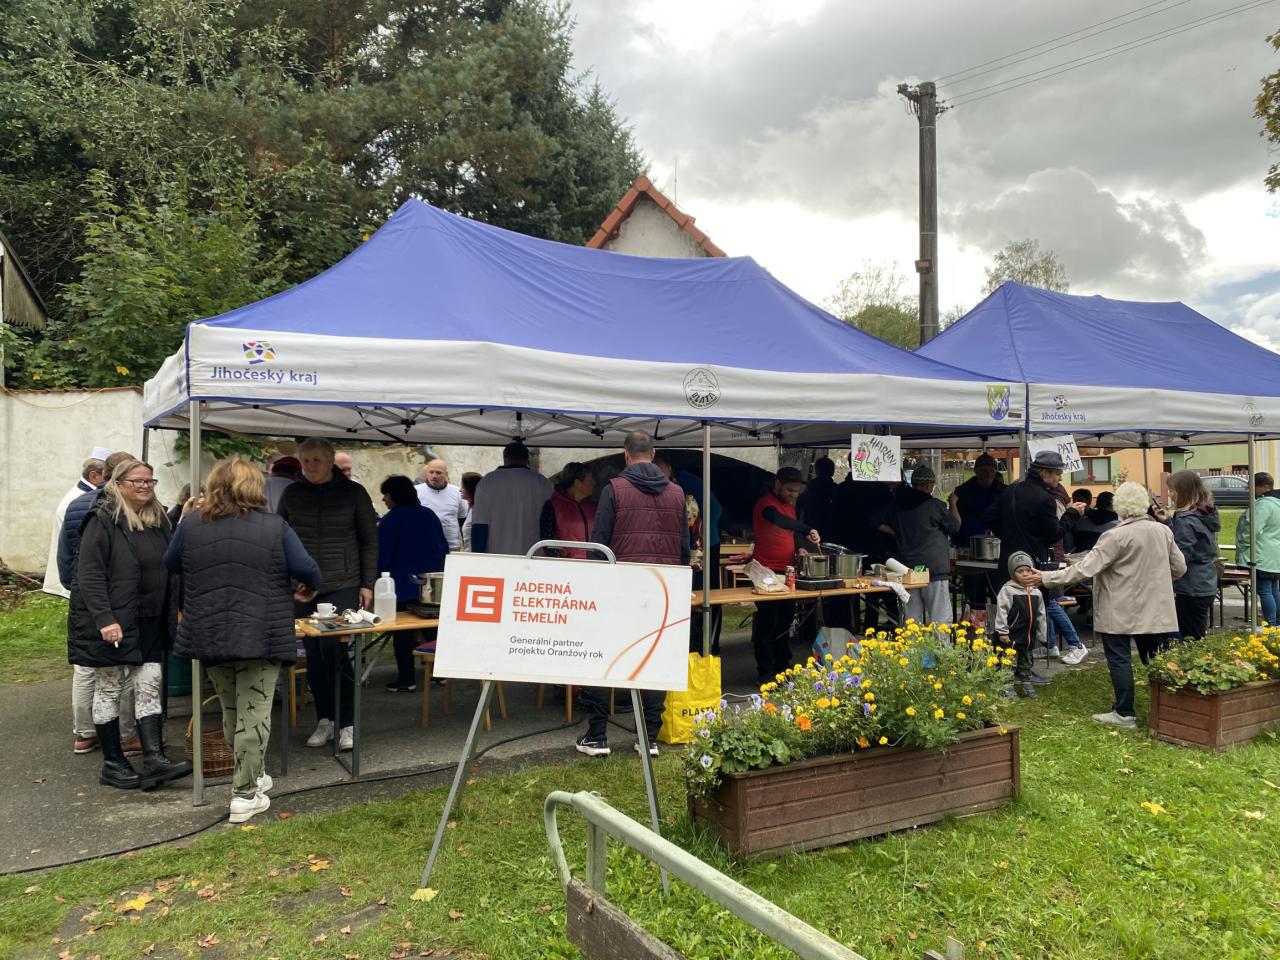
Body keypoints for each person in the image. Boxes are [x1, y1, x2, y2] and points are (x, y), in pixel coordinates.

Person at [166, 458, 320, 823]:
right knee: (254, 712)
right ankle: (244, 793)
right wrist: (307, 588)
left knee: (231, 710)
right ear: (255, 487)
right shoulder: (274, 526)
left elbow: (170, 563)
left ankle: (253, 776)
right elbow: (308, 569)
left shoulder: (191, 525)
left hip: (209, 631)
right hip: (260, 632)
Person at [68, 458, 191, 790]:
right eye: (137, 481)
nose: (145, 486)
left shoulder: (157, 518)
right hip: (116, 622)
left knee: (149, 683)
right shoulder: (102, 519)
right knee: (109, 687)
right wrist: (104, 619)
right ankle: (113, 763)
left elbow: (172, 561)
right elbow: (89, 574)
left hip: (151, 619)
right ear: (118, 484)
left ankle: (154, 758)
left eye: (149, 481)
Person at [1025, 482, 1186, 727]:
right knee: (1155, 657)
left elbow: (1084, 569)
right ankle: (1169, 708)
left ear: (1119, 507)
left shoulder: (1115, 536)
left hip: (1120, 606)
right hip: (1155, 606)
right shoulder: (1162, 531)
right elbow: (1180, 568)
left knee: (1120, 658)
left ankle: (1124, 712)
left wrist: (1046, 577)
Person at [576, 431, 689, 757]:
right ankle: (648, 738)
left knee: (604, 657)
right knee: (656, 660)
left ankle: (597, 736)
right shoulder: (678, 493)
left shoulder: (613, 489)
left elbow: (599, 544)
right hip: (663, 589)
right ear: (652, 455)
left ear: (626, 455)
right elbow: (684, 548)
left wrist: (596, 585)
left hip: (620, 588)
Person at [279, 437, 379, 751]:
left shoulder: (353, 493)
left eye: (316, 460)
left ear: (330, 461)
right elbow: (279, 539)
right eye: (305, 461)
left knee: (335, 652)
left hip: (343, 582)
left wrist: (367, 583)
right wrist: (290, 581)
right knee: (313, 656)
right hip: (303, 586)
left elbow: (369, 540)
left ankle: (347, 722)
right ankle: (325, 718)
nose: (310, 466)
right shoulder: (292, 494)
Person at [60, 450, 139, 756]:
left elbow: (64, 553)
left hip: (81, 592)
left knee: (85, 668)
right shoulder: (119, 509)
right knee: (119, 668)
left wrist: (72, 585)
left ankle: (84, 733)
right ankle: (125, 734)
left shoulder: (76, 504)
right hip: (113, 594)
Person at [983, 451, 1085, 687]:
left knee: (1006, 615)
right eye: (1057, 473)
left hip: (1007, 562)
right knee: (1028, 618)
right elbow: (1054, 534)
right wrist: (1072, 513)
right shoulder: (1044, 498)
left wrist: (1010, 536)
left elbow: (989, 517)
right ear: (1044, 473)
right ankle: (1023, 670)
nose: (1060, 478)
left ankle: (1005, 667)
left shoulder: (1011, 490)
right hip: (1030, 565)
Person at [750, 467, 821, 685]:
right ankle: (766, 671)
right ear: (777, 484)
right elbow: (778, 520)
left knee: (784, 621)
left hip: (787, 571)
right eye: (789, 490)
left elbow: (791, 533)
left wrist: (800, 547)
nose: (793, 494)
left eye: (796, 491)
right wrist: (806, 528)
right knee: (767, 622)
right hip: (765, 572)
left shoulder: (790, 507)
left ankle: (783, 666)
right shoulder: (765, 504)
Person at [378, 475, 449, 692]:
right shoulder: (429, 515)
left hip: (400, 585)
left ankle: (406, 679)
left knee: (402, 634)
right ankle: (440, 672)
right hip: (430, 585)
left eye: (385, 494)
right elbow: (443, 547)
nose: (383, 499)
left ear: (394, 495)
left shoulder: (389, 521)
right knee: (431, 630)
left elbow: (382, 556)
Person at [875, 464, 958, 624]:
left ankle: (912, 642)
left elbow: (874, 521)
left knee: (912, 620)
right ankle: (940, 642)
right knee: (940, 619)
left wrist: (896, 532)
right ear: (927, 486)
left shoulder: (897, 505)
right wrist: (953, 503)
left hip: (908, 568)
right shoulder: (934, 505)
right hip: (934, 569)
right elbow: (955, 526)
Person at [470, 442, 553, 556]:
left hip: (497, 555)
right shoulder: (542, 483)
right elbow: (549, 523)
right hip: (533, 554)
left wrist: (477, 556)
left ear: (505, 458)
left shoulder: (487, 482)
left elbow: (480, 525)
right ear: (527, 459)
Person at [1165, 470, 1220, 641]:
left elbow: (1181, 557)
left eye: (1172, 490)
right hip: (1205, 581)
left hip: (1190, 586)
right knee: (1196, 634)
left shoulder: (1186, 519)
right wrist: (1168, 522)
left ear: (1183, 491)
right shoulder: (1205, 513)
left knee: (1190, 640)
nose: (1170, 494)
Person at [45, 452, 108, 599]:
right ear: (94, 476)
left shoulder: (85, 496)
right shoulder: (81, 500)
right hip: (79, 580)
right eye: (108, 477)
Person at [676, 466, 724, 655]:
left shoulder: (688, 481)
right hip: (689, 547)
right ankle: (692, 645)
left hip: (705, 545)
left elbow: (716, 509)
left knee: (706, 596)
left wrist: (703, 534)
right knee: (689, 597)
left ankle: (709, 646)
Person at [949, 452, 1005, 613]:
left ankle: (997, 624)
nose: (988, 474)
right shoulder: (963, 492)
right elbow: (955, 519)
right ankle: (976, 622)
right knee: (974, 595)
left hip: (997, 550)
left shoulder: (1003, 491)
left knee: (998, 594)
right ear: (976, 471)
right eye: (984, 471)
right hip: (970, 550)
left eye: (992, 471)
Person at [993, 552, 1047, 697]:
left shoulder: (1036, 592)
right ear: (1013, 573)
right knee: (1009, 661)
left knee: (1026, 661)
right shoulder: (1007, 591)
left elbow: (1041, 614)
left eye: (1028, 570)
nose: (1025, 573)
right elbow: (1002, 611)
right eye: (1020, 571)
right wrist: (1002, 631)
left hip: (1028, 636)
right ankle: (1007, 685)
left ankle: (1025, 682)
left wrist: (1042, 633)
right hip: (1011, 636)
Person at [1236, 472, 1280, 625]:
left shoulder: (1263, 505)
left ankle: (1271, 624)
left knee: (1264, 590)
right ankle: (1277, 623)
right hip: (1274, 556)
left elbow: (1251, 529)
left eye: (1252, 487)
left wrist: (1242, 546)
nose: (1250, 491)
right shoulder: (1277, 503)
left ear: (1265, 487)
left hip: (1260, 556)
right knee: (1273, 590)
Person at [539, 462, 597, 558]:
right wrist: (563, 559)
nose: (594, 483)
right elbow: (547, 541)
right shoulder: (552, 506)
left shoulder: (594, 507)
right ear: (577, 483)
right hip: (566, 565)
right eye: (590, 480)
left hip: (595, 563)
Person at [416, 458, 469, 551]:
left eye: (438, 473)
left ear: (446, 474)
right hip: (424, 545)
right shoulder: (416, 491)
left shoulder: (457, 492)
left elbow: (463, 520)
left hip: (451, 547)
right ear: (427, 473)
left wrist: (466, 546)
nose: (434, 476)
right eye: (431, 472)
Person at [796, 456, 838, 539]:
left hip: (809, 533)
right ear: (832, 471)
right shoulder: (837, 491)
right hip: (832, 534)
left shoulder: (807, 492)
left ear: (816, 471)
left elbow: (798, 516)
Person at [459, 471, 482, 551]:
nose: (460, 490)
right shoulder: (472, 507)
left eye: (463, 487)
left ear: (470, 489)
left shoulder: (479, 511)